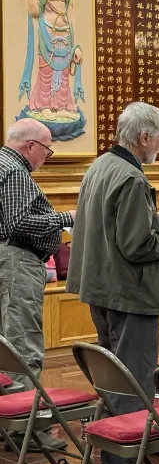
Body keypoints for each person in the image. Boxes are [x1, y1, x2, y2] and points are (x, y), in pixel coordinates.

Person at [66, 102, 159, 464]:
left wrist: (154, 218)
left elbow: (109, 225)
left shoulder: (101, 165)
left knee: (112, 377)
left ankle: (112, 454)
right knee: (134, 380)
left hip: (98, 287)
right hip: (128, 293)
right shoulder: (133, 179)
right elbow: (140, 247)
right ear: (144, 137)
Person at [0, 118, 73, 432]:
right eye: (47, 150)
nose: (47, 156)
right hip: (17, 261)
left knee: (8, 342)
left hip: (7, 260)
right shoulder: (16, 170)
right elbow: (19, 223)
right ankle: (28, 431)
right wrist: (66, 217)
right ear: (30, 146)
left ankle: (11, 422)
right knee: (22, 343)